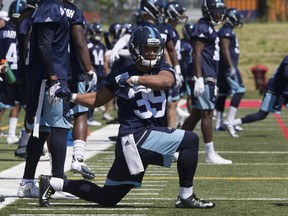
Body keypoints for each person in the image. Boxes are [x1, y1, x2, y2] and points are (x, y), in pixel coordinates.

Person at [39, 26, 215, 209]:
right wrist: (72, 97)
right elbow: (97, 99)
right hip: (136, 136)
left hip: (138, 141)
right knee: (190, 140)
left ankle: (54, 183)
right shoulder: (118, 76)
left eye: (155, 49)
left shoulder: (161, 68)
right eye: (147, 48)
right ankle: (186, 197)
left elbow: (166, 81)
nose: (152, 53)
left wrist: (135, 79)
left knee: (107, 197)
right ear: (136, 49)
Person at [17, 0, 71, 198]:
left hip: (47, 75)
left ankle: (27, 183)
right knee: (59, 127)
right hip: (50, 76)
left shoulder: (47, 7)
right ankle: (57, 183)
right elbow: (44, 43)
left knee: (43, 130)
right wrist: (53, 77)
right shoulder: (50, 7)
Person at [181, 0, 232, 164]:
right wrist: (199, 78)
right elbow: (196, 53)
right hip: (202, 74)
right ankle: (209, 153)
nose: (218, 14)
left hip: (206, 73)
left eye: (220, 11)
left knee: (196, 114)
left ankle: (174, 146)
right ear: (206, 11)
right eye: (215, 11)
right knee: (207, 112)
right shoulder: (202, 27)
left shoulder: (208, 26)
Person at [64, 0, 96, 179]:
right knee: (80, 113)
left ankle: (56, 169)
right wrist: (89, 69)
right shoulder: (73, 12)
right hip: (73, 71)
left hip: (51, 71)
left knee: (54, 123)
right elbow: (79, 42)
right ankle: (78, 158)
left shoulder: (43, 10)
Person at [225, 55, 288, 136]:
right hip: (274, 90)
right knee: (261, 115)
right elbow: (286, 73)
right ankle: (232, 123)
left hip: (283, 91)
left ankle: (232, 123)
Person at [215, 8, 245, 137]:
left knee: (222, 94)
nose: (238, 20)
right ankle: (229, 121)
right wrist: (231, 66)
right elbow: (225, 49)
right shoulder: (226, 31)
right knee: (240, 90)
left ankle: (218, 123)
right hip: (227, 67)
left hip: (223, 68)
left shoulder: (226, 30)